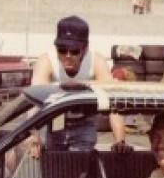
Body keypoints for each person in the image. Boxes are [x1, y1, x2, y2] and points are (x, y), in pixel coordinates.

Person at [29, 15, 126, 151]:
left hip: (84, 123)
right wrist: (33, 136)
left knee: (81, 162)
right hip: (54, 123)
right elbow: (33, 103)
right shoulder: (46, 61)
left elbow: (113, 104)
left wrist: (120, 140)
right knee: (51, 160)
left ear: (85, 49)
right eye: (62, 50)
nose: (68, 56)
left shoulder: (97, 62)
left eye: (74, 51)